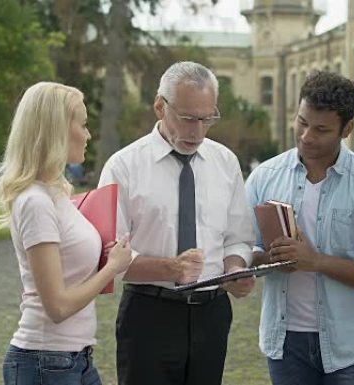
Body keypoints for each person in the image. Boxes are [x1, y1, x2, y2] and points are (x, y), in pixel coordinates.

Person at [98, 61, 256, 385]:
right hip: (148, 316)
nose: (197, 131)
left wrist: (237, 267)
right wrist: (170, 269)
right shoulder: (123, 167)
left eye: (207, 118)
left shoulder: (226, 163)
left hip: (212, 315)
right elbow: (106, 254)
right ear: (160, 106)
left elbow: (238, 238)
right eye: (187, 118)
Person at [245, 70, 354, 384]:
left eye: (321, 129)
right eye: (301, 122)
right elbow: (243, 248)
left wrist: (315, 262)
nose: (306, 136)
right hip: (285, 344)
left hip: (351, 348)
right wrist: (268, 260)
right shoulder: (264, 176)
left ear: (347, 129)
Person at [0, 82, 132, 385]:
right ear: (56, 130)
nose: (88, 135)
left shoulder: (56, 195)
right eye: (82, 124)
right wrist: (112, 268)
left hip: (74, 358)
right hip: (45, 361)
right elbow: (58, 307)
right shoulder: (36, 202)